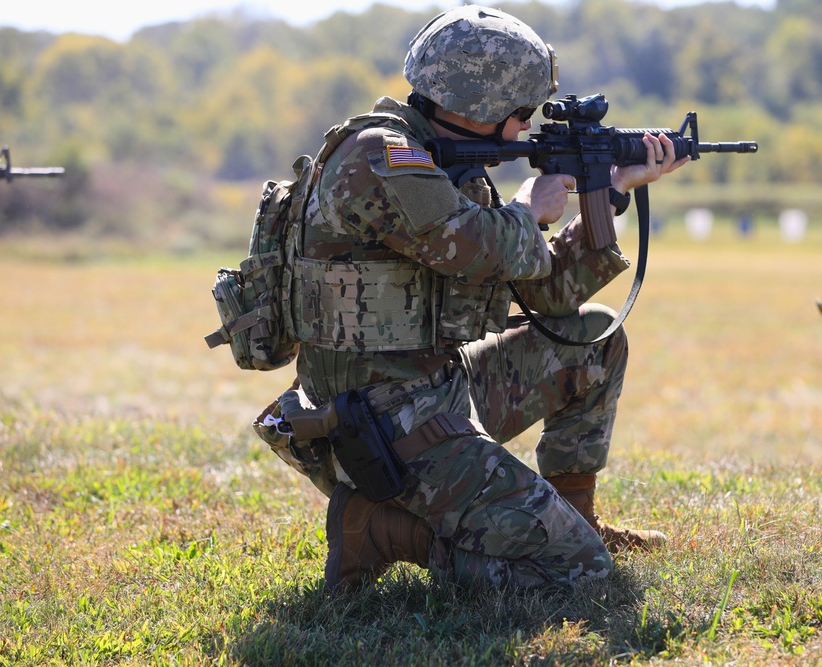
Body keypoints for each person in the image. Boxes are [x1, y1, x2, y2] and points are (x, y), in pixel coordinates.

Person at [261, 4, 688, 594]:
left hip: (440, 393)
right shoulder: (380, 156)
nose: (523, 129)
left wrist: (610, 193)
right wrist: (526, 211)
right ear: (476, 104)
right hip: (381, 424)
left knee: (594, 337)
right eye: (519, 114)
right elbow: (468, 247)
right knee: (580, 576)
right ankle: (379, 528)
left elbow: (542, 293)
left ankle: (575, 516)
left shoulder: (450, 166)